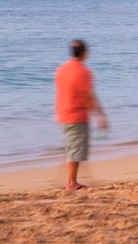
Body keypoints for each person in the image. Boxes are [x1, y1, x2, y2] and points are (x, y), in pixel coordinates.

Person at [54, 39, 108, 191]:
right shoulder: (83, 71)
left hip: (63, 113)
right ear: (84, 53)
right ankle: (71, 183)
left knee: (72, 146)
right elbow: (87, 95)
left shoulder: (61, 69)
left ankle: (71, 178)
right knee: (75, 149)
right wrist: (99, 115)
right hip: (76, 115)